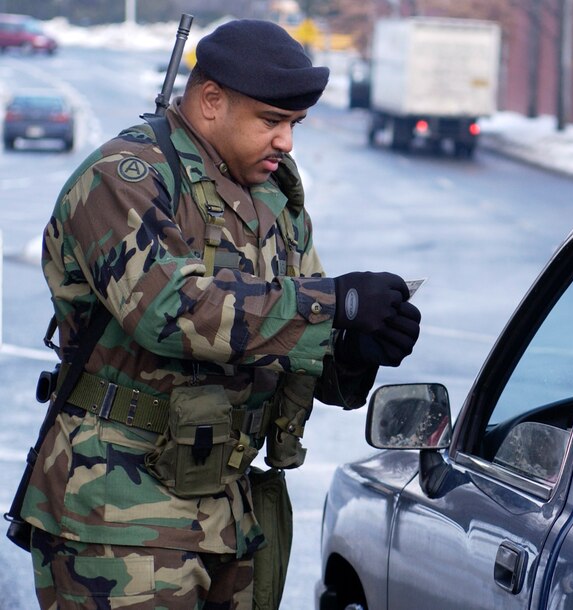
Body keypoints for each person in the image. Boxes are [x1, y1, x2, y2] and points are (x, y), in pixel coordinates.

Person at [19, 19, 421, 609]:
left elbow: (286, 336)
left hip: (230, 513)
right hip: (118, 514)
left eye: (293, 125)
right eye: (271, 121)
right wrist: (336, 303)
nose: (287, 142)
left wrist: (356, 348)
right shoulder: (126, 177)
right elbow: (169, 308)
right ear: (211, 101)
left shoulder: (274, 201)